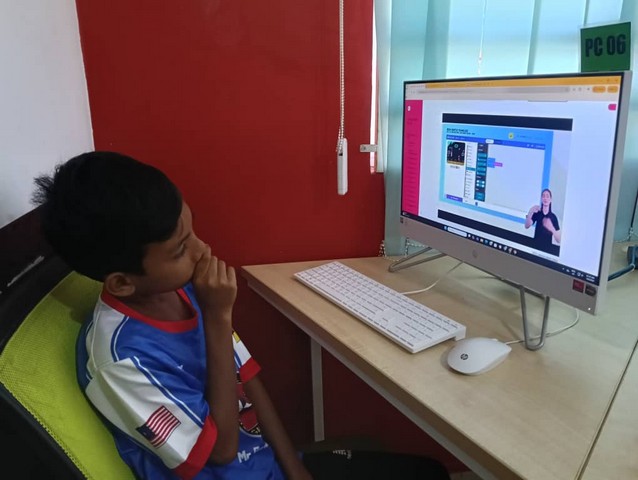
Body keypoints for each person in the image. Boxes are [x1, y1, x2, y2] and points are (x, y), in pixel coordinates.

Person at [32, 151, 449, 480]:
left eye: (192, 231)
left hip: (270, 468)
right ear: (122, 283)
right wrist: (218, 318)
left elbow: (247, 379)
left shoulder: (180, 290)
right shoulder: (121, 362)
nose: (202, 250)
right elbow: (221, 451)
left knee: (427, 472)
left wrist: (296, 470)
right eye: (181, 249)